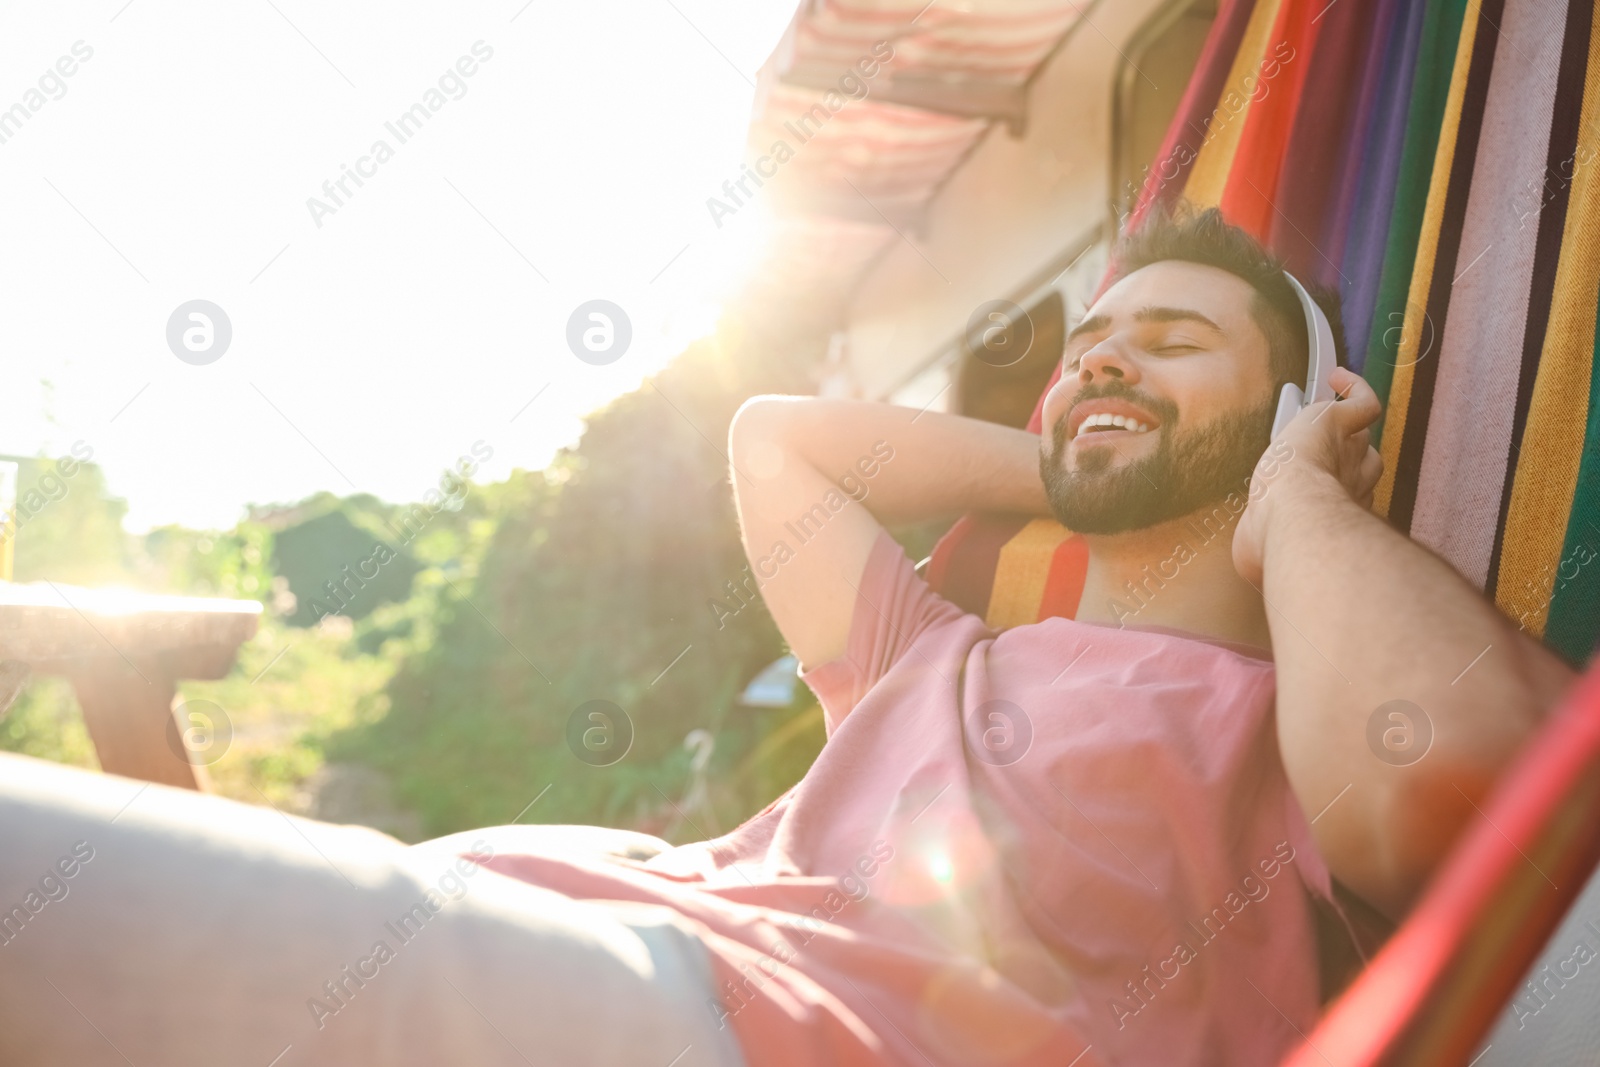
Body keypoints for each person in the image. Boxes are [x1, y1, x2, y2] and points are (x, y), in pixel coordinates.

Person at [0, 203, 1575, 1067]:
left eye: (1173, 342)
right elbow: (776, 442)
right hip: (564, 937)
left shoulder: (1298, 717)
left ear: (1298, 406)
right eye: (1084, 344)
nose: (1102, 361)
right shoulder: (927, 654)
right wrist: (1105, 446)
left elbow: (1472, 806)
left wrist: (1292, 493)